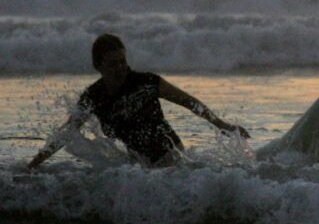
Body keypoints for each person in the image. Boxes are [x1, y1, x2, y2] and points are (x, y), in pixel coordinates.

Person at [27, 33, 249, 169]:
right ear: (98, 66)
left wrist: (222, 125)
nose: (120, 68)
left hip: (171, 156)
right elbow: (67, 132)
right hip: (139, 163)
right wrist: (34, 164)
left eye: (122, 61)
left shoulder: (147, 82)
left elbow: (189, 102)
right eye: (113, 63)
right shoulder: (93, 97)